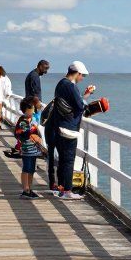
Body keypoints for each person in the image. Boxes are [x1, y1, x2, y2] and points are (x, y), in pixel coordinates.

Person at [45, 61, 96, 201]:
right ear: (77, 73)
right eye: (82, 75)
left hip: (59, 127)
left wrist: (84, 95)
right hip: (69, 129)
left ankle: (61, 188)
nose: (82, 78)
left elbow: (74, 103)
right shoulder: (71, 86)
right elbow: (80, 106)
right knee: (68, 160)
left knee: (62, 159)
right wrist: (88, 96)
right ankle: (67, 190)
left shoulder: (61, 84)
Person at [14, 97, 45, 199]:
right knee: (26, 169)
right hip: (26, 149)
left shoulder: (33, 118)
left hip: (34, 149)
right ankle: (25, 189)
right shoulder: (22, 121)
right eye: (30, 109)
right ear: (25, 110)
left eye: (33, 109)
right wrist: (33, 128)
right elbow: (24, 132)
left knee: (31, 169)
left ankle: (29, 188)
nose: (32, 111)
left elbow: (39, 115)